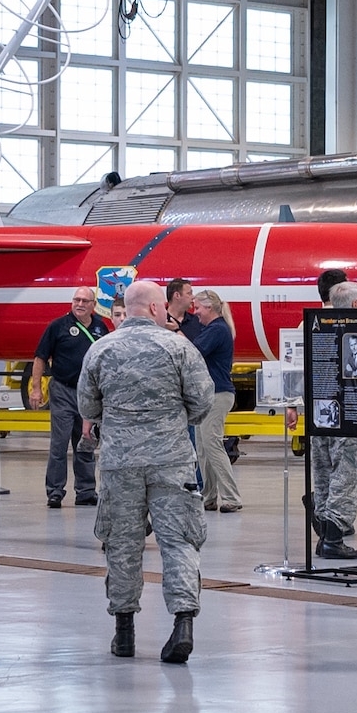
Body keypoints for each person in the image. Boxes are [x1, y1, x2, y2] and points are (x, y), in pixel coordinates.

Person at [78, 278, 212, 663]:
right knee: (179, 541)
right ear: (156, 309)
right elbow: (202, 403)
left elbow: (87, 406)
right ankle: (182, 623)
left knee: (122, 544)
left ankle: (124, 633)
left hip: (120, 462)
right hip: (172, 459)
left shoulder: (100, 349)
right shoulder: (179, 347)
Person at [28, 286, 104, 509]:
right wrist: (35, 388)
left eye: (84, 301)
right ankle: (55, 491)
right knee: (59, 444)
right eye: (76, 300)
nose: (79, 304)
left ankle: (86, 491)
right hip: (62, 390)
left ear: (93, 305)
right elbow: (40, 357)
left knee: (86, 442)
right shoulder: (58, 326)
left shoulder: (100, 327)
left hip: (88, 394)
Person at [310, 276, 357, 560]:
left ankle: (324, 532)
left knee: (323, 474)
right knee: (346, 475)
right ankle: (334, 536)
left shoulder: (315, 325)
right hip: (349, 416)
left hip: (320, 415)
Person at [188, 289, 241, 513]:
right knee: (202, 448)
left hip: (218, 394)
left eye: (197, 307)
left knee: (212, 444)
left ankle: (232, 497)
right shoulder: (212, 329)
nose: (195, 312)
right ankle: (209, 495)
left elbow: (193, 351)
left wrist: (177, 336)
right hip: (208, 395)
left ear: (208, 307)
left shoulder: (217, 330)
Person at [165, 277, 202, 341]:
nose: (193, 297)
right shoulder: (159, 321)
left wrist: (176, 330)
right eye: (189, 293)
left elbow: (196, 350)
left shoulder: (197, 321)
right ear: (177, 295)